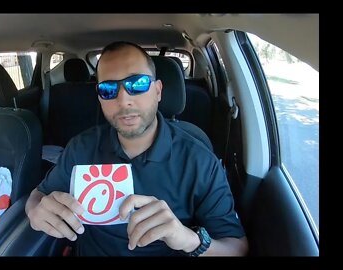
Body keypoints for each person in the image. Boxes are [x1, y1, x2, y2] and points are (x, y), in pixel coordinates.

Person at [25, 41, 248, 256]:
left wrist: (188, 239)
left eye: (138, 84)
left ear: (158, 91)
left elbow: (235, 247)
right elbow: (39, 196)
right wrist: (35, 210)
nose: (124, 100)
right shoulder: (81, 148)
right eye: (108, 89)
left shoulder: (199, 161)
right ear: (100, 99)